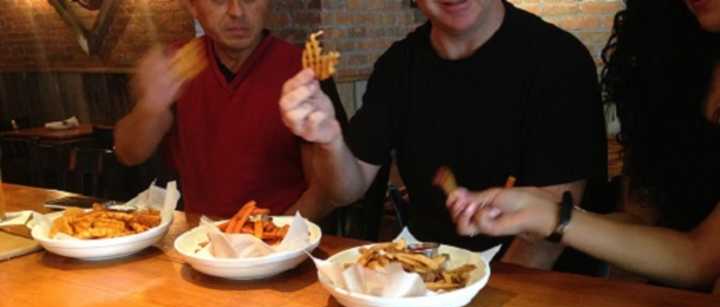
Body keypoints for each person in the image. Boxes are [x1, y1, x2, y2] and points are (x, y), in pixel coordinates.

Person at [280, 0, 607, 270]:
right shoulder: (398, 66)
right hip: (426, 283)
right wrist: (329, 141)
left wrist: (477, 304)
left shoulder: (559, 60)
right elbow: (345, 190)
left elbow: (545, 236)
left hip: (546, 293)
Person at [446, 0, 720, 291]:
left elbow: (701, 259)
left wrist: (553, 218)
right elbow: (643, 220)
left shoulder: (555, 59)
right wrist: (535, 210)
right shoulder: (667, 54)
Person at [114, 0, 347, 219]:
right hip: (197, 241)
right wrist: (150, 107)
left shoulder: (302, 71)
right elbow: (129, 154)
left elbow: (325, 191)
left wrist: (275, 238)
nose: (237, 11)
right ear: (193, 7)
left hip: (283, 239)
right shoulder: (176, 67)